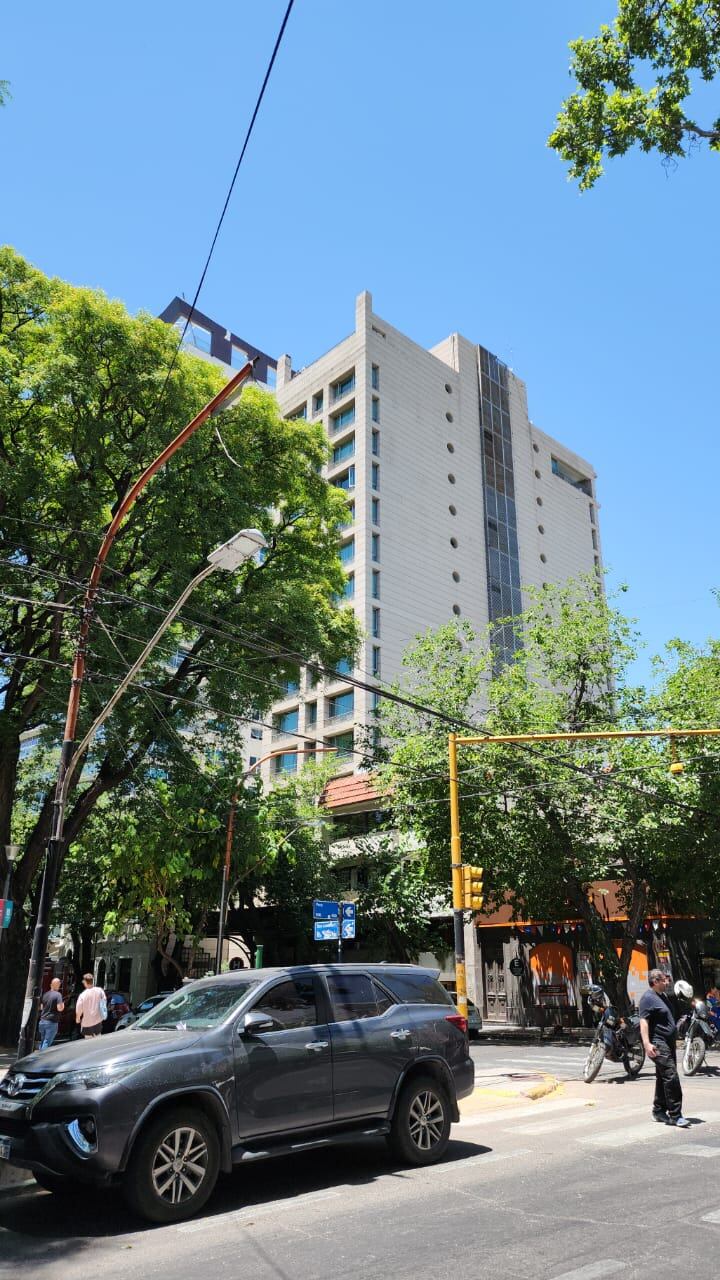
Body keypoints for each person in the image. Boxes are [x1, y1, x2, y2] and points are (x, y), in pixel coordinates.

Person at [639, 968, 689, 1128]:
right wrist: (646, 1043)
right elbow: (643, 1022)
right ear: (655, 981)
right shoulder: (648, 998)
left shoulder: (663, 997)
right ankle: (675, 1115)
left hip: (668, 1042)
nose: (667, 983)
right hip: (657, 1042)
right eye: (663, 980)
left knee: (663, 1077)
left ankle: (658, 1110)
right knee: (671, 1076)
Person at [75, 973, 106, 1038]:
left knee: (88, 1043)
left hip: (87, 1023)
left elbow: (79, 1009)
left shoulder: (82, 995)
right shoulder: (100, 991)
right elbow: (104, 1002)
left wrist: (78, 1018)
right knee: (98, 1040)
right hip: (98, 1022)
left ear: (85, 982)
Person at [38, 978, 65, 1050]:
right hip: (51, 1022)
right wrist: (63, 1005)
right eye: (59, 984)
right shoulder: (58, 995)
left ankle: (38, 1057)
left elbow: (41, 1007)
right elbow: (60, 1008)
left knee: (42, 1041)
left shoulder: (45, 994)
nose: (60, 985)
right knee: (47, 1042)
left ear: (51, 985)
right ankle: (42, 1058)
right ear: (58, 985)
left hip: (42, 1021)